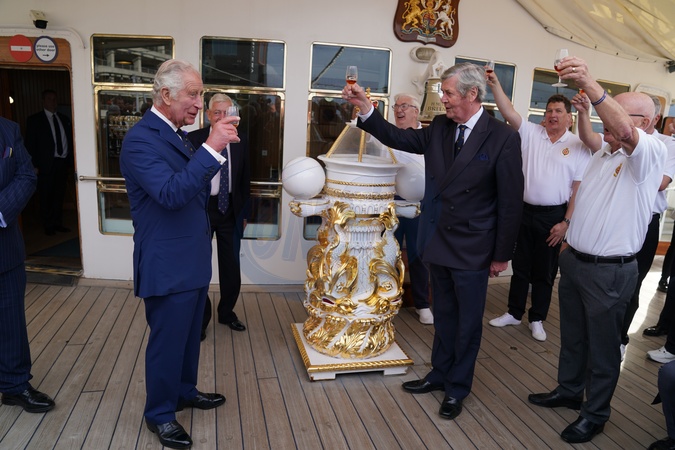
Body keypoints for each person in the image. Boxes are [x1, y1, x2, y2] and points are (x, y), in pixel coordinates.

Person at [342, 62, 524, 421]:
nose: (444, 99)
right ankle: (439, 373)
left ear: (472, 94)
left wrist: (501, 255)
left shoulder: (503, 137)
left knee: (467, 323)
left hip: (474, 246)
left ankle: (457, 387)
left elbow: (510, 201)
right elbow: (399, 138)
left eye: (449, 93)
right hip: (439, 239)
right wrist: (365, 108)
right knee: (444, 315)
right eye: (443, 93)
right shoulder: (440, 126)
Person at [528, 56, 666, 444]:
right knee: (573, 337)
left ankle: (595, 414)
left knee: (603, 350)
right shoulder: (607, 151)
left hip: (609, 271)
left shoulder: (649, 153)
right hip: (575, 262)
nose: (610, 121)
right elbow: (601, 139)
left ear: (647, 122)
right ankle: (570, 391)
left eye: (620, 111)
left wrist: (590, 83)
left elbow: (623, 129)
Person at [120, 59, 239, 450]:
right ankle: (159, 414)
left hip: (190, 260)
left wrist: (206, 149)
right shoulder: (140, 140)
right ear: (166, 94)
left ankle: (184, 391)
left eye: (201, 94)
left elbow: (191, 191)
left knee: (189, 338)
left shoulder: (176, 135)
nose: (199, 103)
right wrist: (212, 148)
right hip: (167, 264)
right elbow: (171, 195)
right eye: (193, 94)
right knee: (167, 343)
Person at [486, 73, 590, 342]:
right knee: (520, 266)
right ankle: (514, 312)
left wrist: (566, 223)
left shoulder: (578, 145)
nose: (552, 115)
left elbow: (578, 189)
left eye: (558, 111)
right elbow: (508, 111)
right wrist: (495, 85)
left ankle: (537, 318)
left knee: (544, 272)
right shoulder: (531, 133)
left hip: (554, 216)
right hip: (523, 211)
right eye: (549, 111)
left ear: (569, 118)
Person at [0, 116, 55, 413]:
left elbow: (26, 175)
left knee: (11, 323)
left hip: (5, 249)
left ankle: (14, 385)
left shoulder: (7, 129)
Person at [188, 94, 251, 337]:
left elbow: (245, 179)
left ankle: (226, 313)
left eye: (227, 113)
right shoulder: (193, 139)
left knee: (231, 267)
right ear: (207, 115)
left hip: (231, 210)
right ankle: (201, 319)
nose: (222, 118)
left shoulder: (241, 139)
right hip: (202, 210)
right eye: (217, 113)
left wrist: (244, 213)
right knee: (199, 267)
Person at [389, 92, 433, 325]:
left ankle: (422, 304)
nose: (399, 110)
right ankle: (388, 300)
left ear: (416, 111)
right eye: (396, 106)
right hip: (391, 203)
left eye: (404, 106)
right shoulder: (388, 136)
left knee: (418, 255)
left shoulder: (428, 137)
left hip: (418, 205)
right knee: (388, 254)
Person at [25, 89, 74, 236]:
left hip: (62, 163)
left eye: (54, 99)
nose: (53, 102)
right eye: (49, 99)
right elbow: (30, 145)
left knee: (59, 195)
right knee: (46, 195)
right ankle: (48, 225)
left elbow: (70, 140)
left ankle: (58, 223)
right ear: (43, 101)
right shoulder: (35, 120)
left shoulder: (64, 119)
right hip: (45, 165)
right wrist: (34, 165)